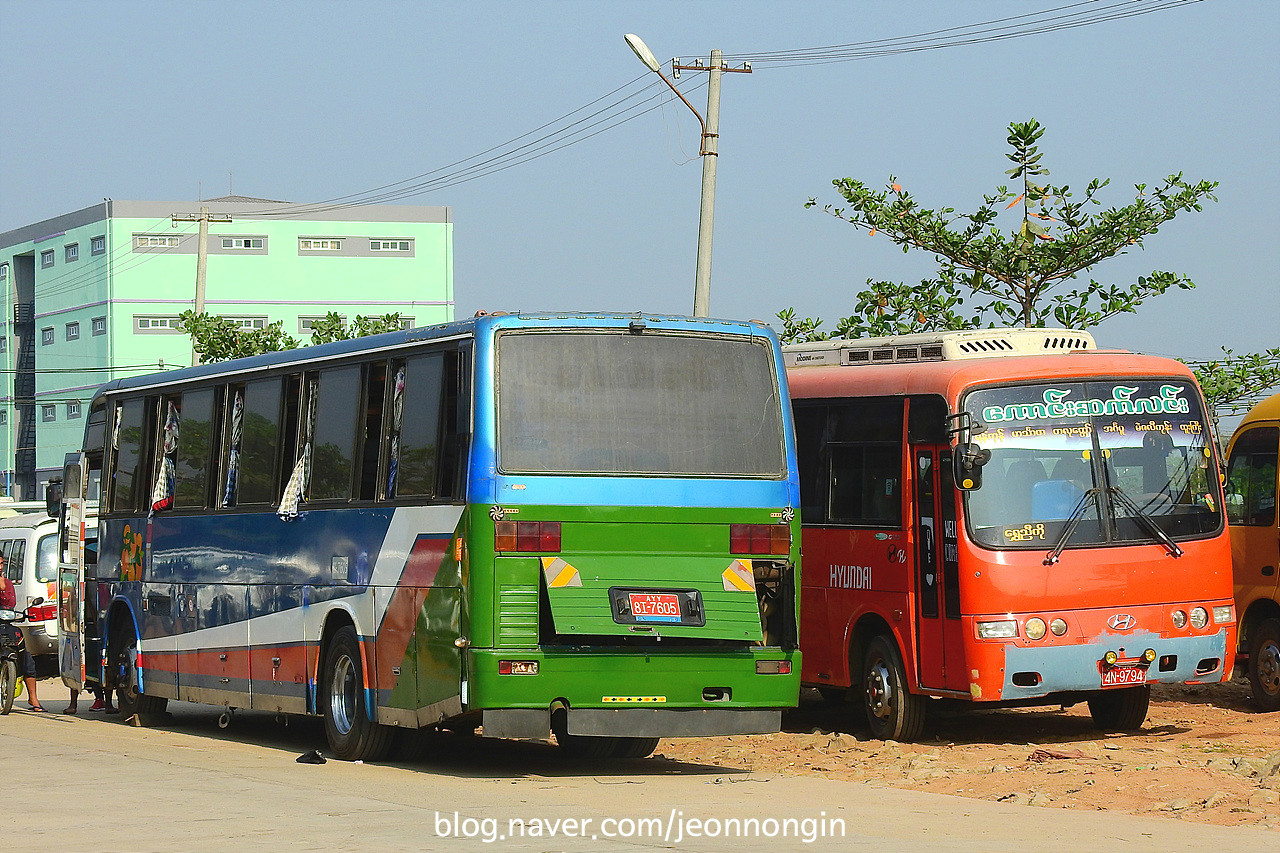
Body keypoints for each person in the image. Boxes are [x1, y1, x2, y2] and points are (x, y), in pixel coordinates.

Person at [0, 570, 43, 712]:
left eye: (1, 563)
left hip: (6, 624)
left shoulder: (7, 583)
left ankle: (33, 698)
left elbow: (10, 602)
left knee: (27, 657)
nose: (0, 567)